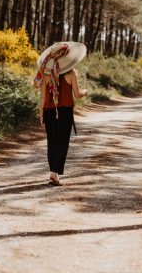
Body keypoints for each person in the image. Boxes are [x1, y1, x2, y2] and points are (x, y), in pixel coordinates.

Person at [34, 42, 88, 186]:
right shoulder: (71, 74)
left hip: (49, 111)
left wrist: (41, 115)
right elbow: (77, 94)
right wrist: (85, 92)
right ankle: (55, 174)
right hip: (65, 112)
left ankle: (53, 172)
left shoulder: (46, 76)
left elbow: (43, 98)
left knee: (52, 142)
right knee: (62, 143)